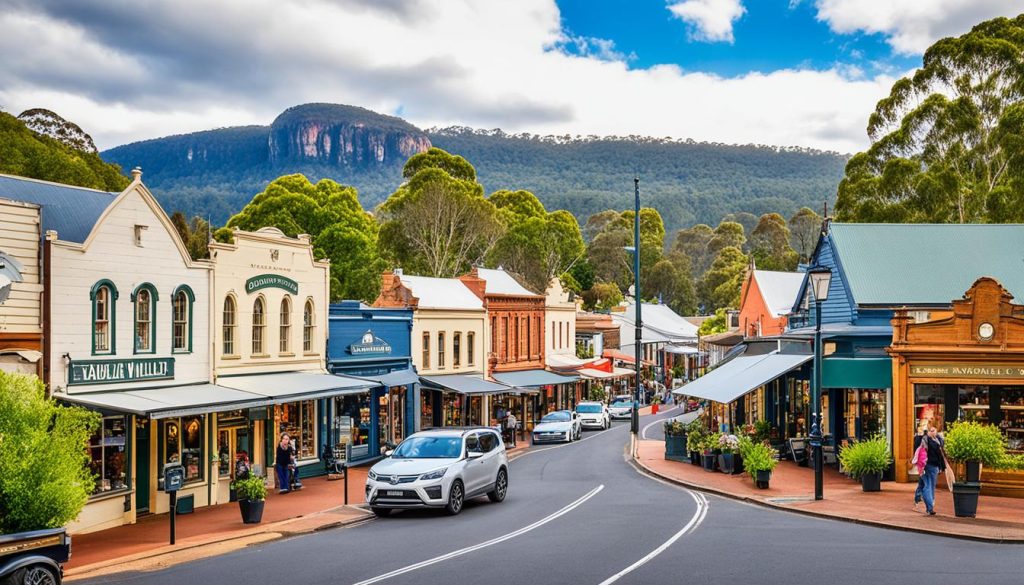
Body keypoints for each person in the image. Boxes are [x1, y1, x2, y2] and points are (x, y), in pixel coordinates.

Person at [914, 426, 944, 515]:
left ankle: (918, 498)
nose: (932, 432)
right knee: (929, 486)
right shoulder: (927, 440)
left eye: (934, 430)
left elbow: (941, 447)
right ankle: (930, 507)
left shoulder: (937, 440)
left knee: (923, 483)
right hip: (928, 466)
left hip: (925, 467)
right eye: (930, 431)